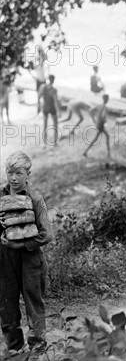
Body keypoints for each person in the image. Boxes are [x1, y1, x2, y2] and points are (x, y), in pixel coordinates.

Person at [0, 151, 53, 355]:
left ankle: (38, 348)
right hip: (5, 257)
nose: (13, 178)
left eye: (18, 173)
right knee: (6, 302)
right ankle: (14, 348)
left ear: (27, 174)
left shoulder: (35, 198)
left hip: (30, 258)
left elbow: (46, 234)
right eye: (9, 172)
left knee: (33, 302)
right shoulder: (1, 195)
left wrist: (22, 244)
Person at [83, 94, 111, 159]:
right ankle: (108, 153)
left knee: (103, 137)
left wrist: (94, 119)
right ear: (106, 99)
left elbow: (90, 111)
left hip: (98, 123)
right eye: (107, 99)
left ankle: (108, 152)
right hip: (100, 124)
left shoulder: (99, 105)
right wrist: (105, 121)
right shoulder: (105, 107)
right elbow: (103, 116)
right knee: (98, 138)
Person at [37, 75, 60, 146]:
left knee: (45, 126)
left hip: (45, 108)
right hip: (52, 108)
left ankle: (44, 143)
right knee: (55, 125)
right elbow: (56, 102)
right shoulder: (54, 90)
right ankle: (55, 142)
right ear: (53, 80)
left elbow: (39, 97)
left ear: (48, 79)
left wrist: (38, 107)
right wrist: (59, 111)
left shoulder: (43, 87)